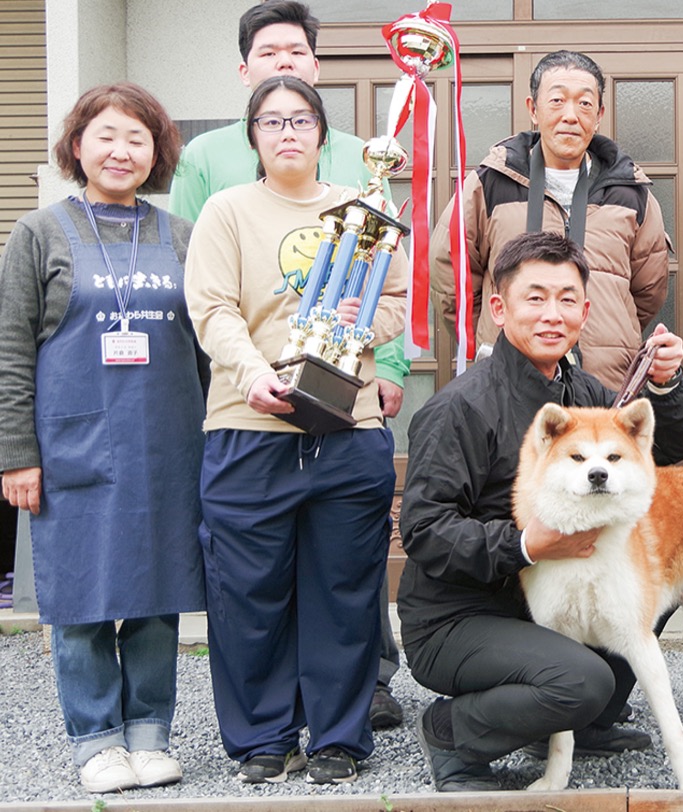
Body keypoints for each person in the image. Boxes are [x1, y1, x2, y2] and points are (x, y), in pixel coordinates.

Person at [168, 0, 409, 730]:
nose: (287, 132)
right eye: (271, 122)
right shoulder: (226, 209)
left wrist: (362, 325)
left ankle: (339, 735)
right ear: (252, 133)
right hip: (249, 424)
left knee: (344, 593)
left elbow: (396, 301)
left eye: (301, 120)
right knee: (249, 595)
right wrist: (252, 375)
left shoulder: (364, 208)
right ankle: (262, 739)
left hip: (347, 424)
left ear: (322, 132)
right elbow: (211, 308)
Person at [398, 230, 683, 792]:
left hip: (547, 598)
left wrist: (666, 384)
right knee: (580, 681)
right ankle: (451, 733)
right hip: (460, 618)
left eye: (566, 299)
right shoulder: (459, 408)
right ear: (498, 308)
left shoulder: (584, 392)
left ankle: (577, 722)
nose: (552, 314)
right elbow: (424, 530)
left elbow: (666, 449)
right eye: (534, 298)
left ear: (586, 310)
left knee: (651, 588)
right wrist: (525, 545)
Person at [0, 83, 204, 793]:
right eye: (106, 136)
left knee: (156, 591)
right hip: (72, 447)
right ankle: (95, 741)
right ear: (77, 145)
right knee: (80, 596)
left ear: (157, 152)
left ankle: (149, 733)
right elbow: (10, 352)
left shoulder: (181, 236)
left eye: (137, 138)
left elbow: (208, 348)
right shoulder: (39, 233)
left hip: (166, 445)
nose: (121, 151)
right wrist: (16, 455)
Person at [429, 49, 669, 391]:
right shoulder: (490, 183)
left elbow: (648, 292)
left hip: (605, 383)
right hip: (509, 383)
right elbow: (452, 277)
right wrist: (495, 330)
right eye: (557, 101)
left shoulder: (630, 192)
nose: (571, 115)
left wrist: (606, 330)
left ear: (599, 115)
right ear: (533, 109)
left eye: (584, 104)